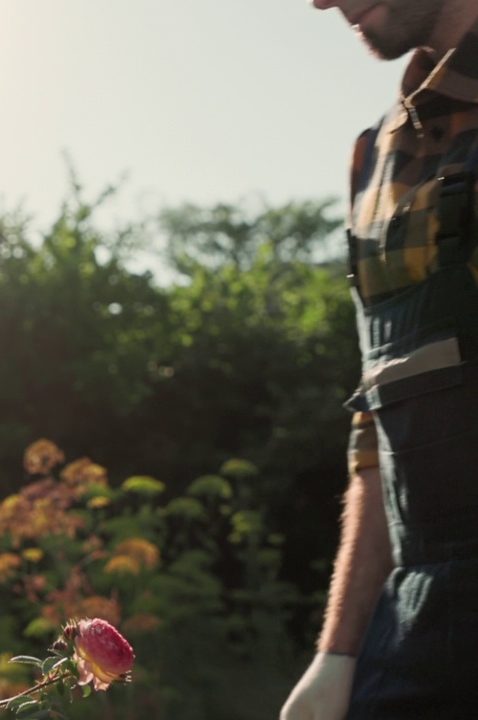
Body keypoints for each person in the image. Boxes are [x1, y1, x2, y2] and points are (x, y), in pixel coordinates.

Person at [282, 1, 478, 718]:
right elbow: (380, 422)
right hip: (415, 636)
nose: (320, 1)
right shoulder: (377, 155)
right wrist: (337, 655)